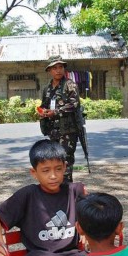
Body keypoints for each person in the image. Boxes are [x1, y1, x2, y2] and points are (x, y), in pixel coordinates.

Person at [39, 55, 81, 183]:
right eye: (55, 68)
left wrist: (55, 112)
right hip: (53, 132)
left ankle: (68, 194)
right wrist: (43, 112)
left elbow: (74, 105)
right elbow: (44, 105)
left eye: (61, 67)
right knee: (55, 162)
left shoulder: (70, 85)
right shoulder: (48, 88)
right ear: (49, 71)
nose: (58, 70)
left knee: (66, 162)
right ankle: (58, 192)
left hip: (67, 131)